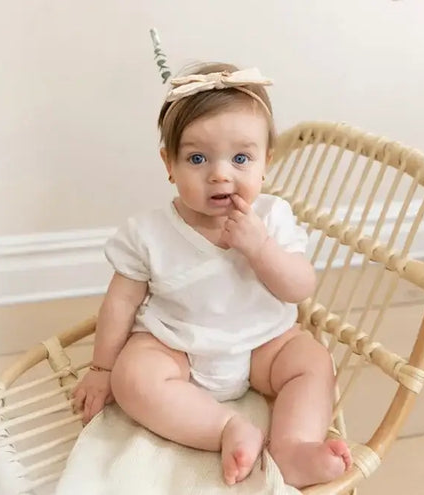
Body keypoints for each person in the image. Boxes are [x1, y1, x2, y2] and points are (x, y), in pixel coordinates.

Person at [71, 62, 353, 489]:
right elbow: (120, 303)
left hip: (264, 344)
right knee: (134, 376)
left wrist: (260, 249)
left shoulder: (272, 217)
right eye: (198, 158)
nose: (221, 174)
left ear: (265, 163)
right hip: (176, 346)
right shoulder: (146, 233)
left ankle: (292, 447)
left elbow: (299, 287)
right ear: (169, 164)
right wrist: (102, 367)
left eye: (241, 158)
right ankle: (225, 428)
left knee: (313, 362)